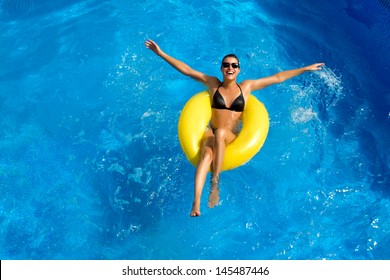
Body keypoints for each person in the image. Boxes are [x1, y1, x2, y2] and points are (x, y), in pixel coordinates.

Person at [145, 39, 324, 217]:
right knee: (206, 154)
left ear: (239, 69)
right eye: (226, 65)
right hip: (211, 130)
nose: (230, 68)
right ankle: (196, 202)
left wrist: (304, 69)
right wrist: (160, 53)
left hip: (230, 135)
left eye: (234, 65)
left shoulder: (246, 87)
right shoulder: (212, 83)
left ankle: (215, 184)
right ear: (221, 69)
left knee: (222, 133)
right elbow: (187, 70)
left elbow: (277, 78)